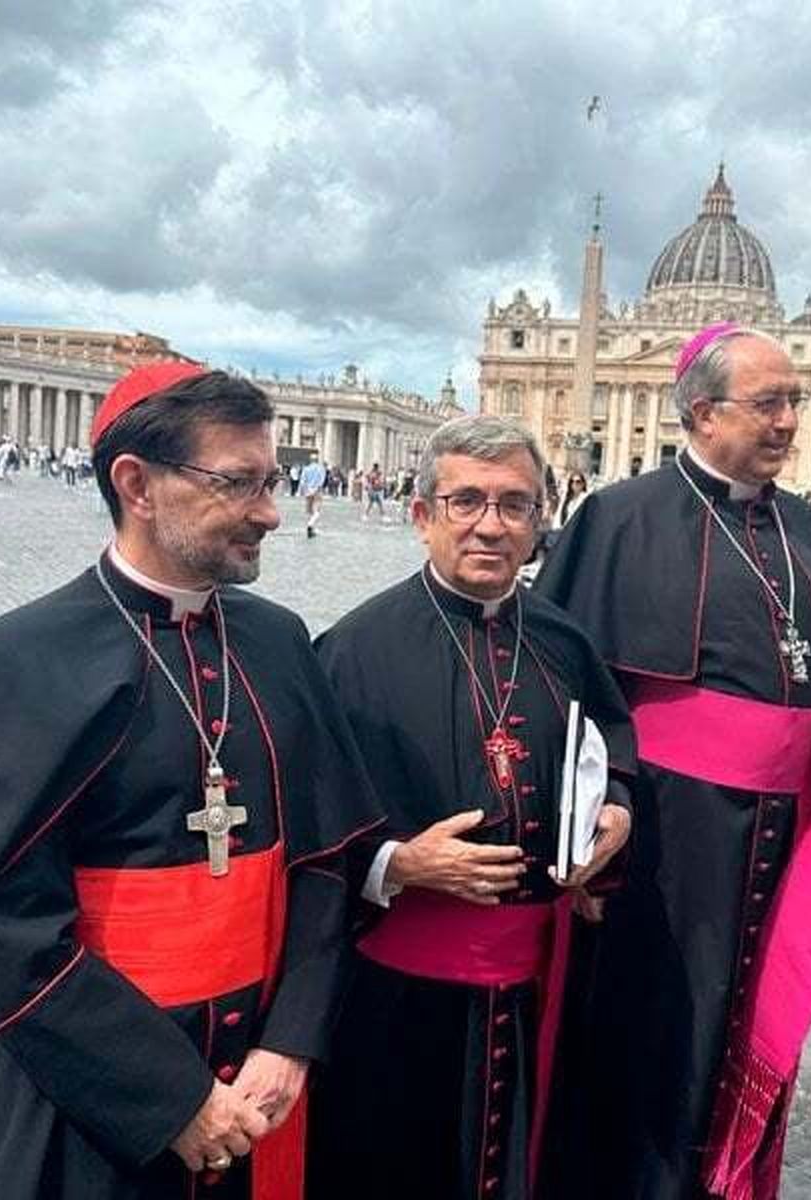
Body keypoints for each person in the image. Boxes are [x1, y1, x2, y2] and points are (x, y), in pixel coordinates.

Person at [0, 364, 382, 1199]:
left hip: (264, 1083)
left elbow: (325, 860)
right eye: (240, 483)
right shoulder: (17, 659)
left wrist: (291, 1037)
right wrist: (175, 1098)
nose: (271, 510)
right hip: (91, 1102)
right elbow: (9, 927)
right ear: (136, 485)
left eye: (273, 481)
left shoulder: (280, 641)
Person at [536, 324, 811, 1199]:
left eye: (794, 401)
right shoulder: (618, 519)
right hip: (664, 835)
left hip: (785, 828)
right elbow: (566, 686)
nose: (791, 421)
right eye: (770, 403)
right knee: (658, 1027)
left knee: (755, 1014)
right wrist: (578, 824)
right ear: (702, 412)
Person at [309, 415, 637, 1198]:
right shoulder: (350, 652)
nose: (491, 526)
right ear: (423, 516)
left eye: (515, 505)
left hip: (538, 987)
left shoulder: (566, 643)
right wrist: (397, 862)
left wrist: (617, 809)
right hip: (399, 1000)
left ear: (538, 523)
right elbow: (307, 826)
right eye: (467, 502)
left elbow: (614, 751)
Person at [298, 452, 327, 538]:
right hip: (317, 491)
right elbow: (321, 481)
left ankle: (312, 529)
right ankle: (310, 525)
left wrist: (301, 491)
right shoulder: (321, 469)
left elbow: (302, 481)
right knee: (317, 511)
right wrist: (318, 489)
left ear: (310, 460)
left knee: (310, 511)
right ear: (317, 460)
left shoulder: (306, 469)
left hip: (308, 491)